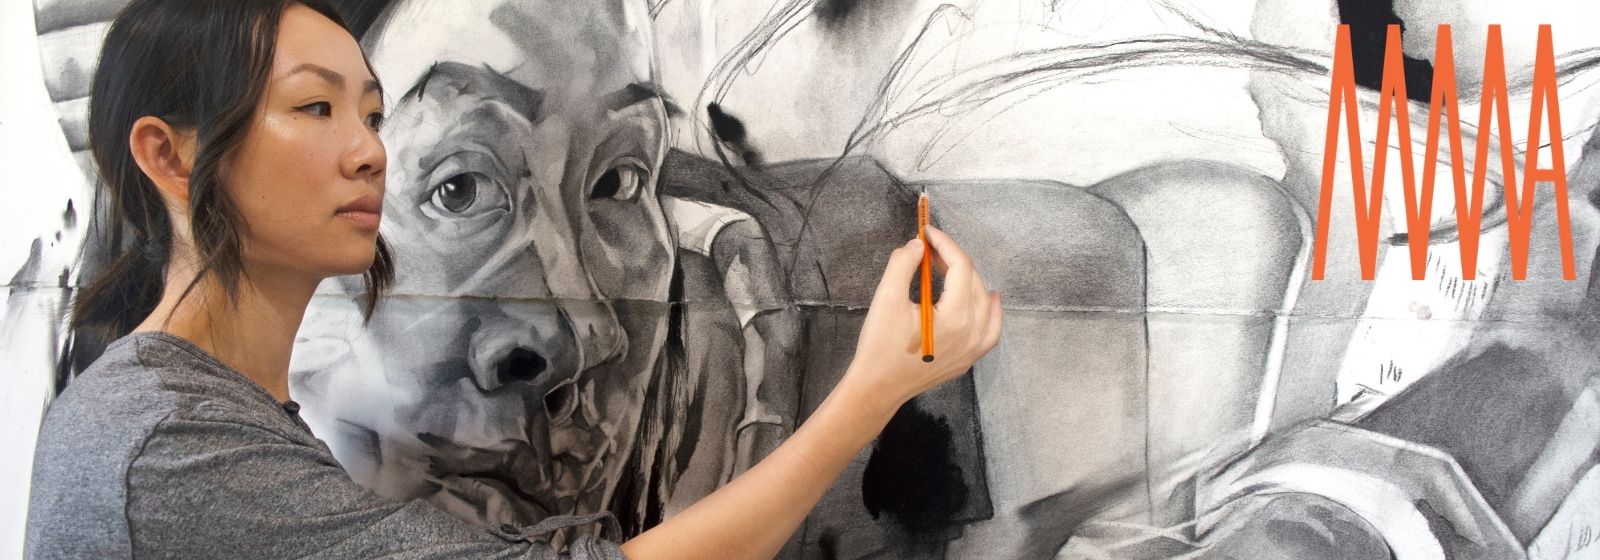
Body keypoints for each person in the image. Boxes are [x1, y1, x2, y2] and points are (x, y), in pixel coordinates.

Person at [20, 1, 1003, 559]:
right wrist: (872, 388)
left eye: (372, 115)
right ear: (172, 157)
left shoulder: (199, 411)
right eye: (316, 109)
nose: (366, 151)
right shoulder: (166, 442)